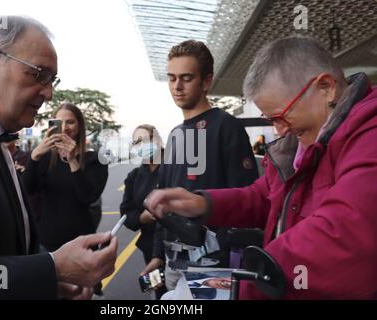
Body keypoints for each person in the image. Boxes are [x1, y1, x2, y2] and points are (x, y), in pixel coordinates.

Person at [144, 36, 377, 299]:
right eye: (271, 119)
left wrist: (245, 284)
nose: (278, 129)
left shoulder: (368, 132)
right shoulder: (304, 141)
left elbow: (346, 232)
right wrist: (204, 204)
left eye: (280, 116)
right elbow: (262, 196)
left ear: (325, 88)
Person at [0, 15, 117, 299]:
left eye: (52, 80)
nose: (49, 93)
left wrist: (47, 285)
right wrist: (51, 268)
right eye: (38, 74)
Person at [142, 40, 258, 291]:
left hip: (214, 267)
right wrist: (157, 255)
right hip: (172, 265)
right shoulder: (174, 135)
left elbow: (249, 201)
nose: (177, 86)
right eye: (172, 78)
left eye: (186, 78)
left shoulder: (227, 127)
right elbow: (164, 202)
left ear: (206, 82)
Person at [23, 103, 108, 252]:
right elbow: (27, 189)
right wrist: (35, 156)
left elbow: (87, 196)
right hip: (47, 242)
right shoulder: (46, 158)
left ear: (80, 125)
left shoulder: (95, 159)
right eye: (59, 123)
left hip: (81, 241)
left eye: (70, 122)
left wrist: (72, 160)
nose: (64, 128)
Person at [120, 124, 166, 299]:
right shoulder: (134, 176)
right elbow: (126, 212)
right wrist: (141, 218)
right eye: (137, 142)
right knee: (158, 291)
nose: (142, 145)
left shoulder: (174, 168)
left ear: (158, 140)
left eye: (146, 140)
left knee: (181, 293)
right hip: (148, 246)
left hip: (175, 247)